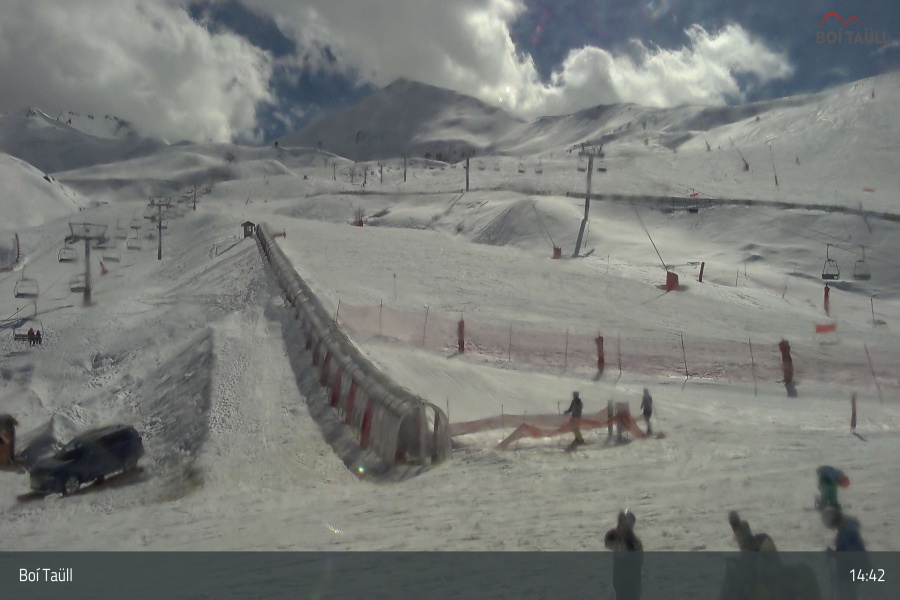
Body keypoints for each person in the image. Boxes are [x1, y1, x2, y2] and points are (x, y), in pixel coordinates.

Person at [823, 508, 869, 600]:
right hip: (859, 564)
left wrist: (832, 554)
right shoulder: (848, 524)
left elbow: (846, 555)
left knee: (846, 591)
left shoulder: (845, 532)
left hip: (853, 568)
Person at [604, 509, 643, 600]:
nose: (618, 526)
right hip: (621, 584)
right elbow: (608, 542)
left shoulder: (633, 543)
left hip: (631, 586)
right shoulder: (618, 538)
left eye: (622, 524)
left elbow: (637, 561)